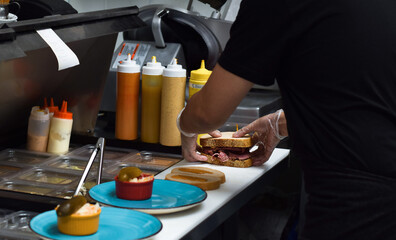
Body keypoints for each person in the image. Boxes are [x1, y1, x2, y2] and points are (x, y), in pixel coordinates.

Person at [177, 0, 396, 239]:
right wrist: (280, 123)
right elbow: (361, 94)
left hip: (361, 199)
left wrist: (184, 125)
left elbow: (206, 113)